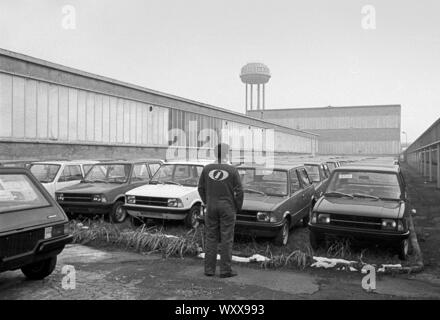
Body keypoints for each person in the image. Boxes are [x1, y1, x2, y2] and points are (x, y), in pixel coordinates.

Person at [198, 143, 243, 278]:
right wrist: (237, 207)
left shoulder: (207, 169)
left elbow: (200, 188)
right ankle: (225, 270)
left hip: (211, 207)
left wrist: (207, 202)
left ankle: (209, 270)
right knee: (226, 238)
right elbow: (239, 191)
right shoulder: (232, 170)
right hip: (227, 208)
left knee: (211, 237)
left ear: (214, 153)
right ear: (227, 153)